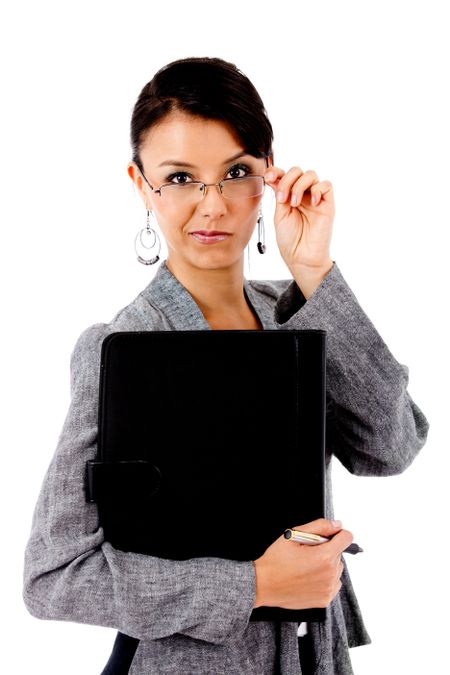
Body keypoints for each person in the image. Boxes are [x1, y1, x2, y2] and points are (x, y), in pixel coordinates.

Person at [22, 56, 430, 675]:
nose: (211, 207)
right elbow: (54, 577)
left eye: (235, 172)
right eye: (181, 177)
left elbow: (392, 447)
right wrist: (254, 586)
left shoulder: (297, 316)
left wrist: (314, 270)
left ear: (267, 172)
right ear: (141, 185)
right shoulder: (124, 346)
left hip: (312, 658)